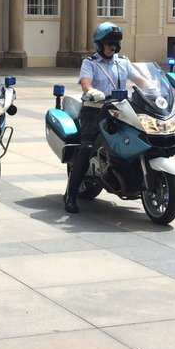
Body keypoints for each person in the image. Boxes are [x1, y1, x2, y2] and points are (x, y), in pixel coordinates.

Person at [62, 22, 137, 213]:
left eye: (115, 42)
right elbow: (86, 84)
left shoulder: (123, 62)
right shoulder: (90, 63)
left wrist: (153, 88)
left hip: (120, 110)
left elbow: (140, 79)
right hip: (94, 110)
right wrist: (92, 91)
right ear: (99, 44)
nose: (113, 45)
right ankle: (70, 195)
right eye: (108, 42)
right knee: (87, 147)